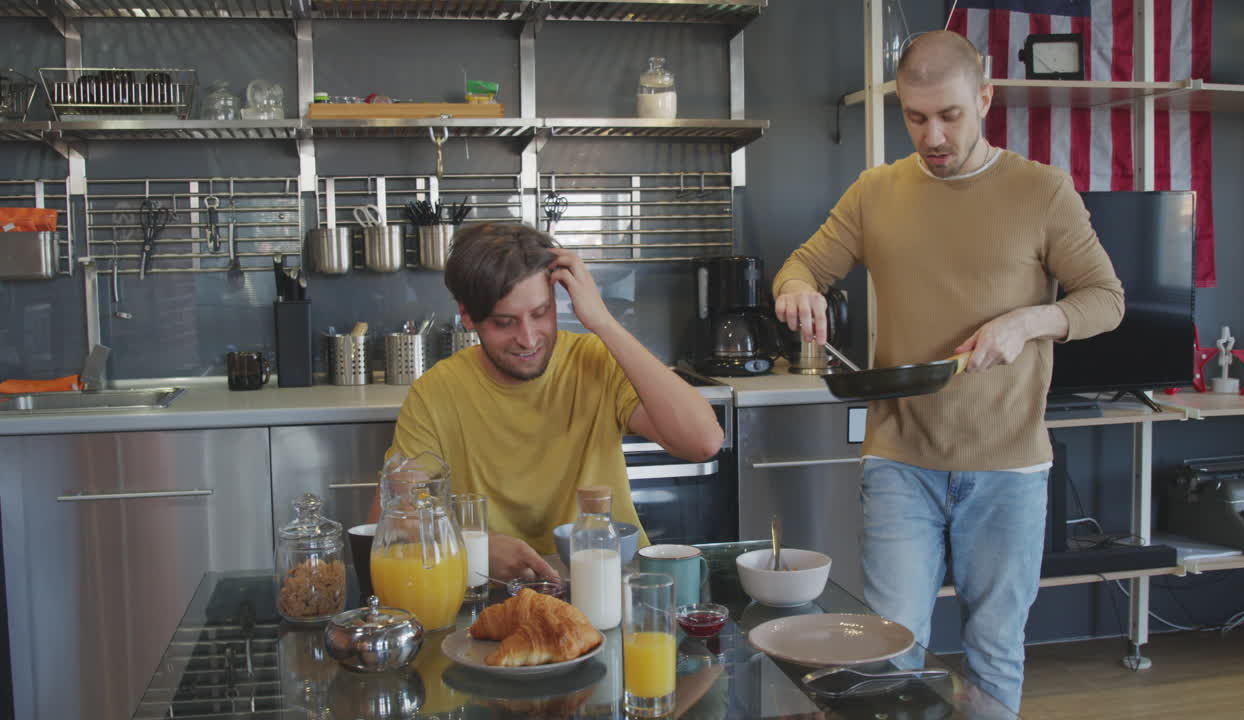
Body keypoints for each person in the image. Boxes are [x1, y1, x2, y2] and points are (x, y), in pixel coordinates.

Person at [772, 31, 1124, 713]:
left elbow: (1106, 299)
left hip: (1008, 463)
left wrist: (1028, 322)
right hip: (901, 459)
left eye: (949, 115)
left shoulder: (1042, 190)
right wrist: (797, 290)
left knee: (994, 650)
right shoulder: (876, 192)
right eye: (915, 117)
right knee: (891, 646)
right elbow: (803, 264)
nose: (932, 136)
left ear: (984, 98)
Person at [382, 222, 723, 582]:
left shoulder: (596, 360)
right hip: (500, 593)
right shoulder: (436, 393)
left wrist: (603, 322)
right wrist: (471, 546)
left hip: (613, 583)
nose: (528, 339)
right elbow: (392, 521)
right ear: (467, 316)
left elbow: (702, 442)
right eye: (504, 322)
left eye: (541, 313)